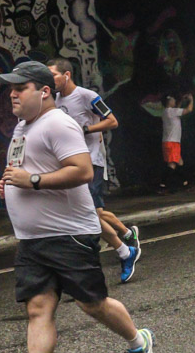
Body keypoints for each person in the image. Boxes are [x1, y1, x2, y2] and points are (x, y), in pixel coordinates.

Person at [0, 61, 155, 353]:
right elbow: (28, 170)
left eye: (20, 88)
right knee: (38, 308)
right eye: (11, 88)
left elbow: (81, 171)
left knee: (92, 304)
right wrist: (8, 183)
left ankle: (138, 341)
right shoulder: (23, 128)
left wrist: (32, 182)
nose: (12, 94)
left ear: (44, 91)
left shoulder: (58, 124)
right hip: (33, 239)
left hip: (68, 235)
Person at [46, 58, 141, 284]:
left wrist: (86, 129)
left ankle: (121, 251)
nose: (50, 81)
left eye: (53, 75)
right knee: (90, 213)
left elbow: (112, 121)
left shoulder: (87, 96)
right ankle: (126, 241)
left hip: (91, 162)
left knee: (87, 213)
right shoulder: (55, 100)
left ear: (66, 75)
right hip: (69, 165)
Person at [159, 93, 194, 191]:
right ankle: (163, 185)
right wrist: (191, 100)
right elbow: (189, 110)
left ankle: (185, 183)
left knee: (179, 162)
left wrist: (181, 101)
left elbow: (177, 109)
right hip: (172, 142)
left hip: (170, 141)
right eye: (173, 100)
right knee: (172, 164)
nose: (174, 101)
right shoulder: (172, 111)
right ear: (169, 102)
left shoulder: (167, 112)